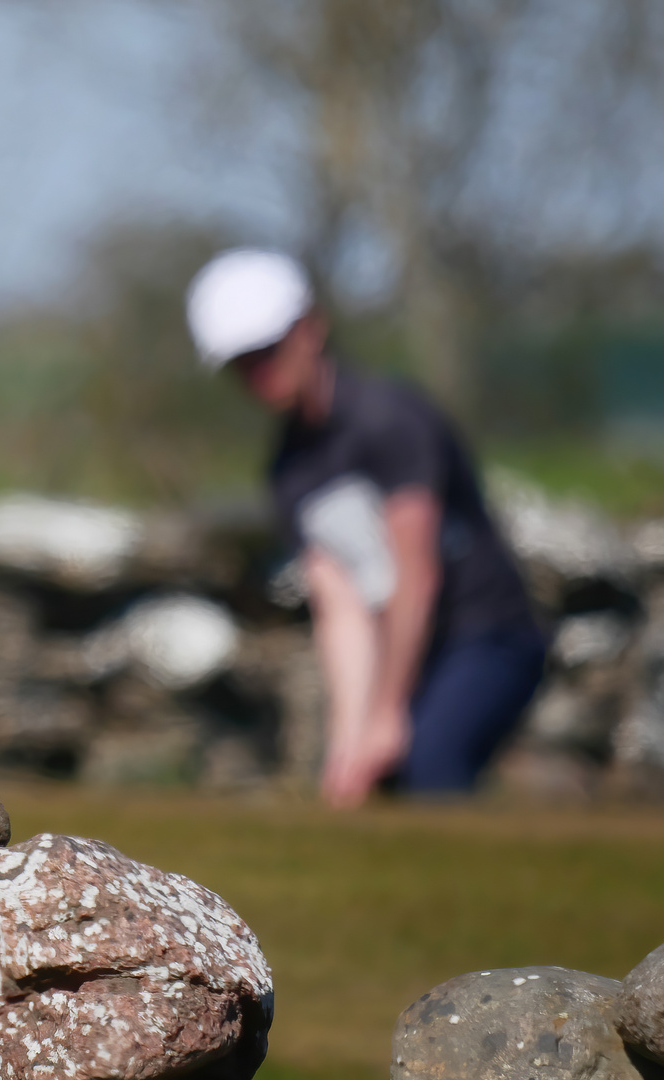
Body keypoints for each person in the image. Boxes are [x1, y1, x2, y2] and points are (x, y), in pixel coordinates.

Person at [185, 248, 544, 807]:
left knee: (430, 767)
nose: (256, 372)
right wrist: (349, 739)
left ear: (310, 328)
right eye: (241, 361)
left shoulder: (390, 419)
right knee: (377, 781)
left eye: (266, 350)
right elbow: (341, 605)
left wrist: (386, 712)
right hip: (408, 645)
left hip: (487, 635)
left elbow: (415, 573)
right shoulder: (288, 470)